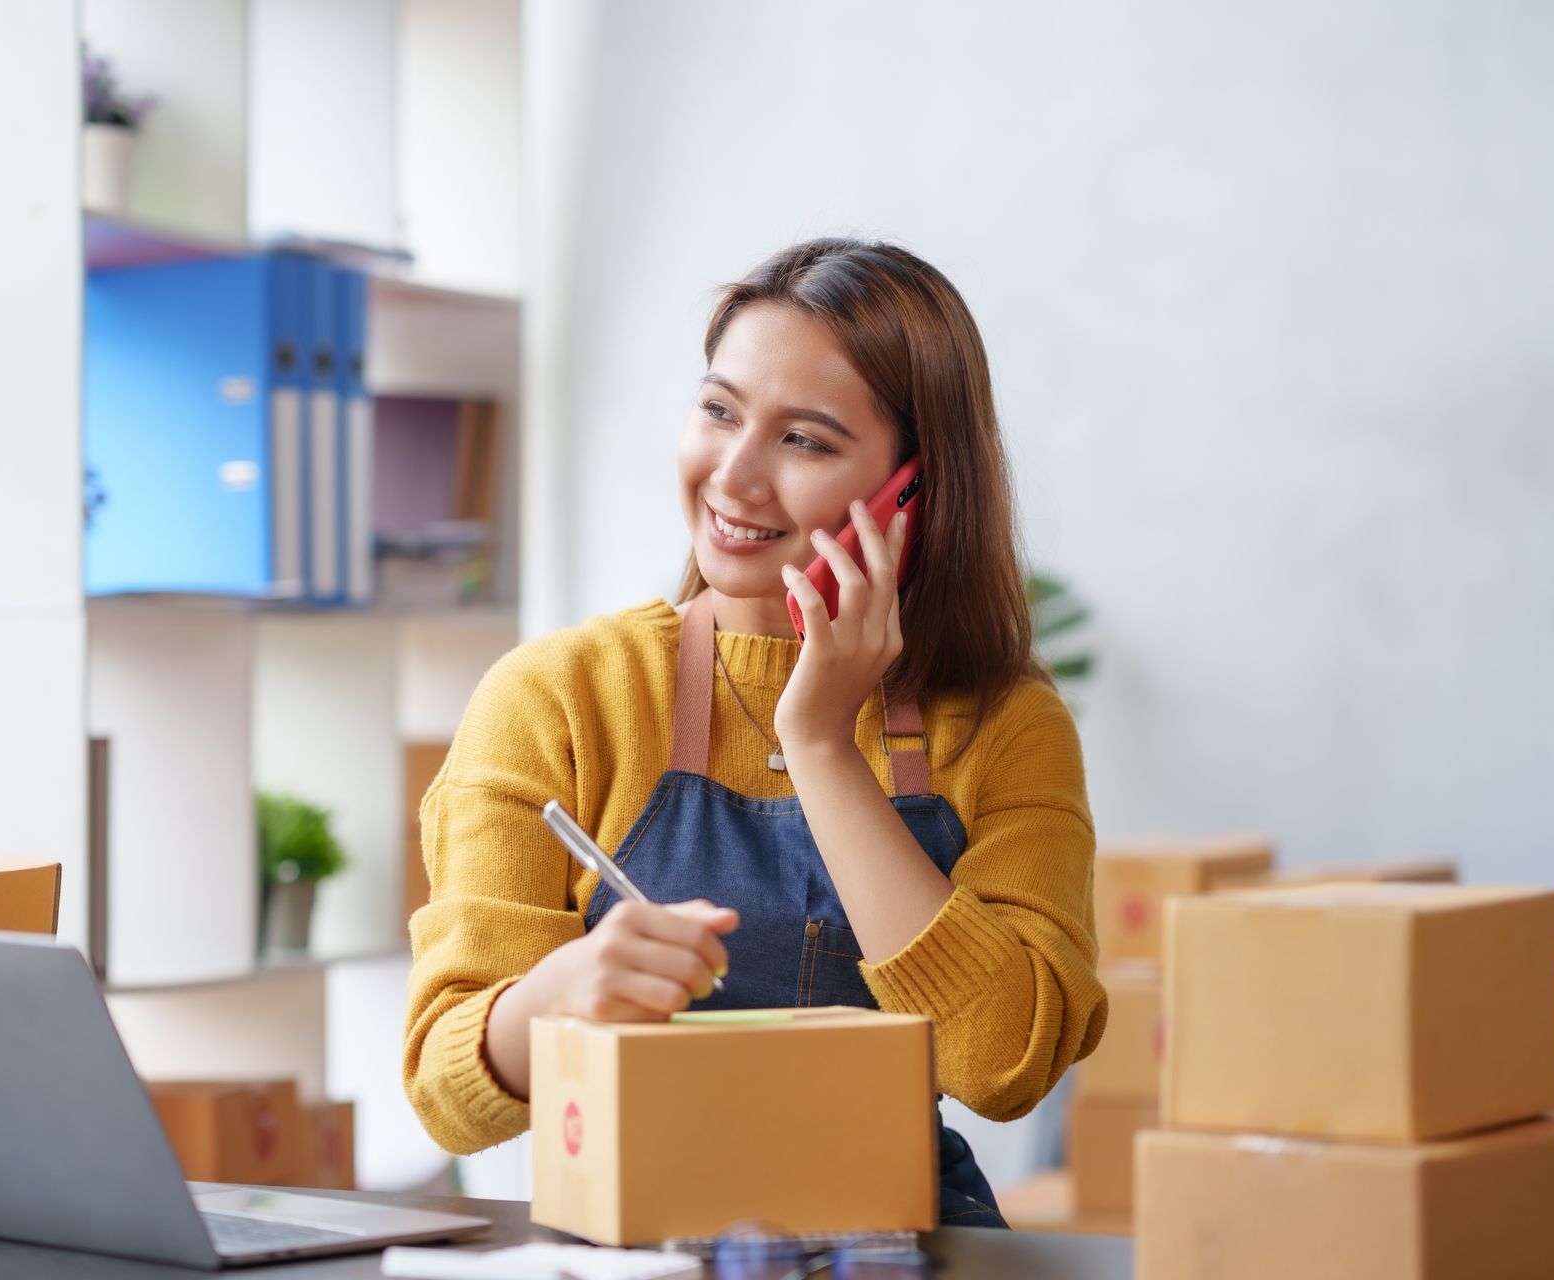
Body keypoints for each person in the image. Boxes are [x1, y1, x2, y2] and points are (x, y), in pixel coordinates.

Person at [403, 238, 1106, 1228]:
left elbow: (1005, 1063)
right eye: (719, 410)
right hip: (628, 1238)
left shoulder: (1005, 723)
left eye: (805, 440)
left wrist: (821, 742)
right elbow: (442, 1085)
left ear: (915, 487)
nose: (734, 476)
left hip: (900, 1244)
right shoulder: (558, 696)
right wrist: (558, 991)